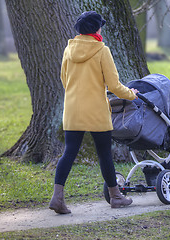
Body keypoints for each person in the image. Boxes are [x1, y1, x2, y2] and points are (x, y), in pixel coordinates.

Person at [49, 11, 139, 214]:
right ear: (96, 29)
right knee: (104, 153)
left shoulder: (68, 49)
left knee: (69, 153)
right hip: (96, 110)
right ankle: (116, 197)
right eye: (100, 27)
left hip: (72, 109)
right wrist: (131, 94)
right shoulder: (101, 50)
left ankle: (57, 198)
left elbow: (65, 80)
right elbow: (115, 85)